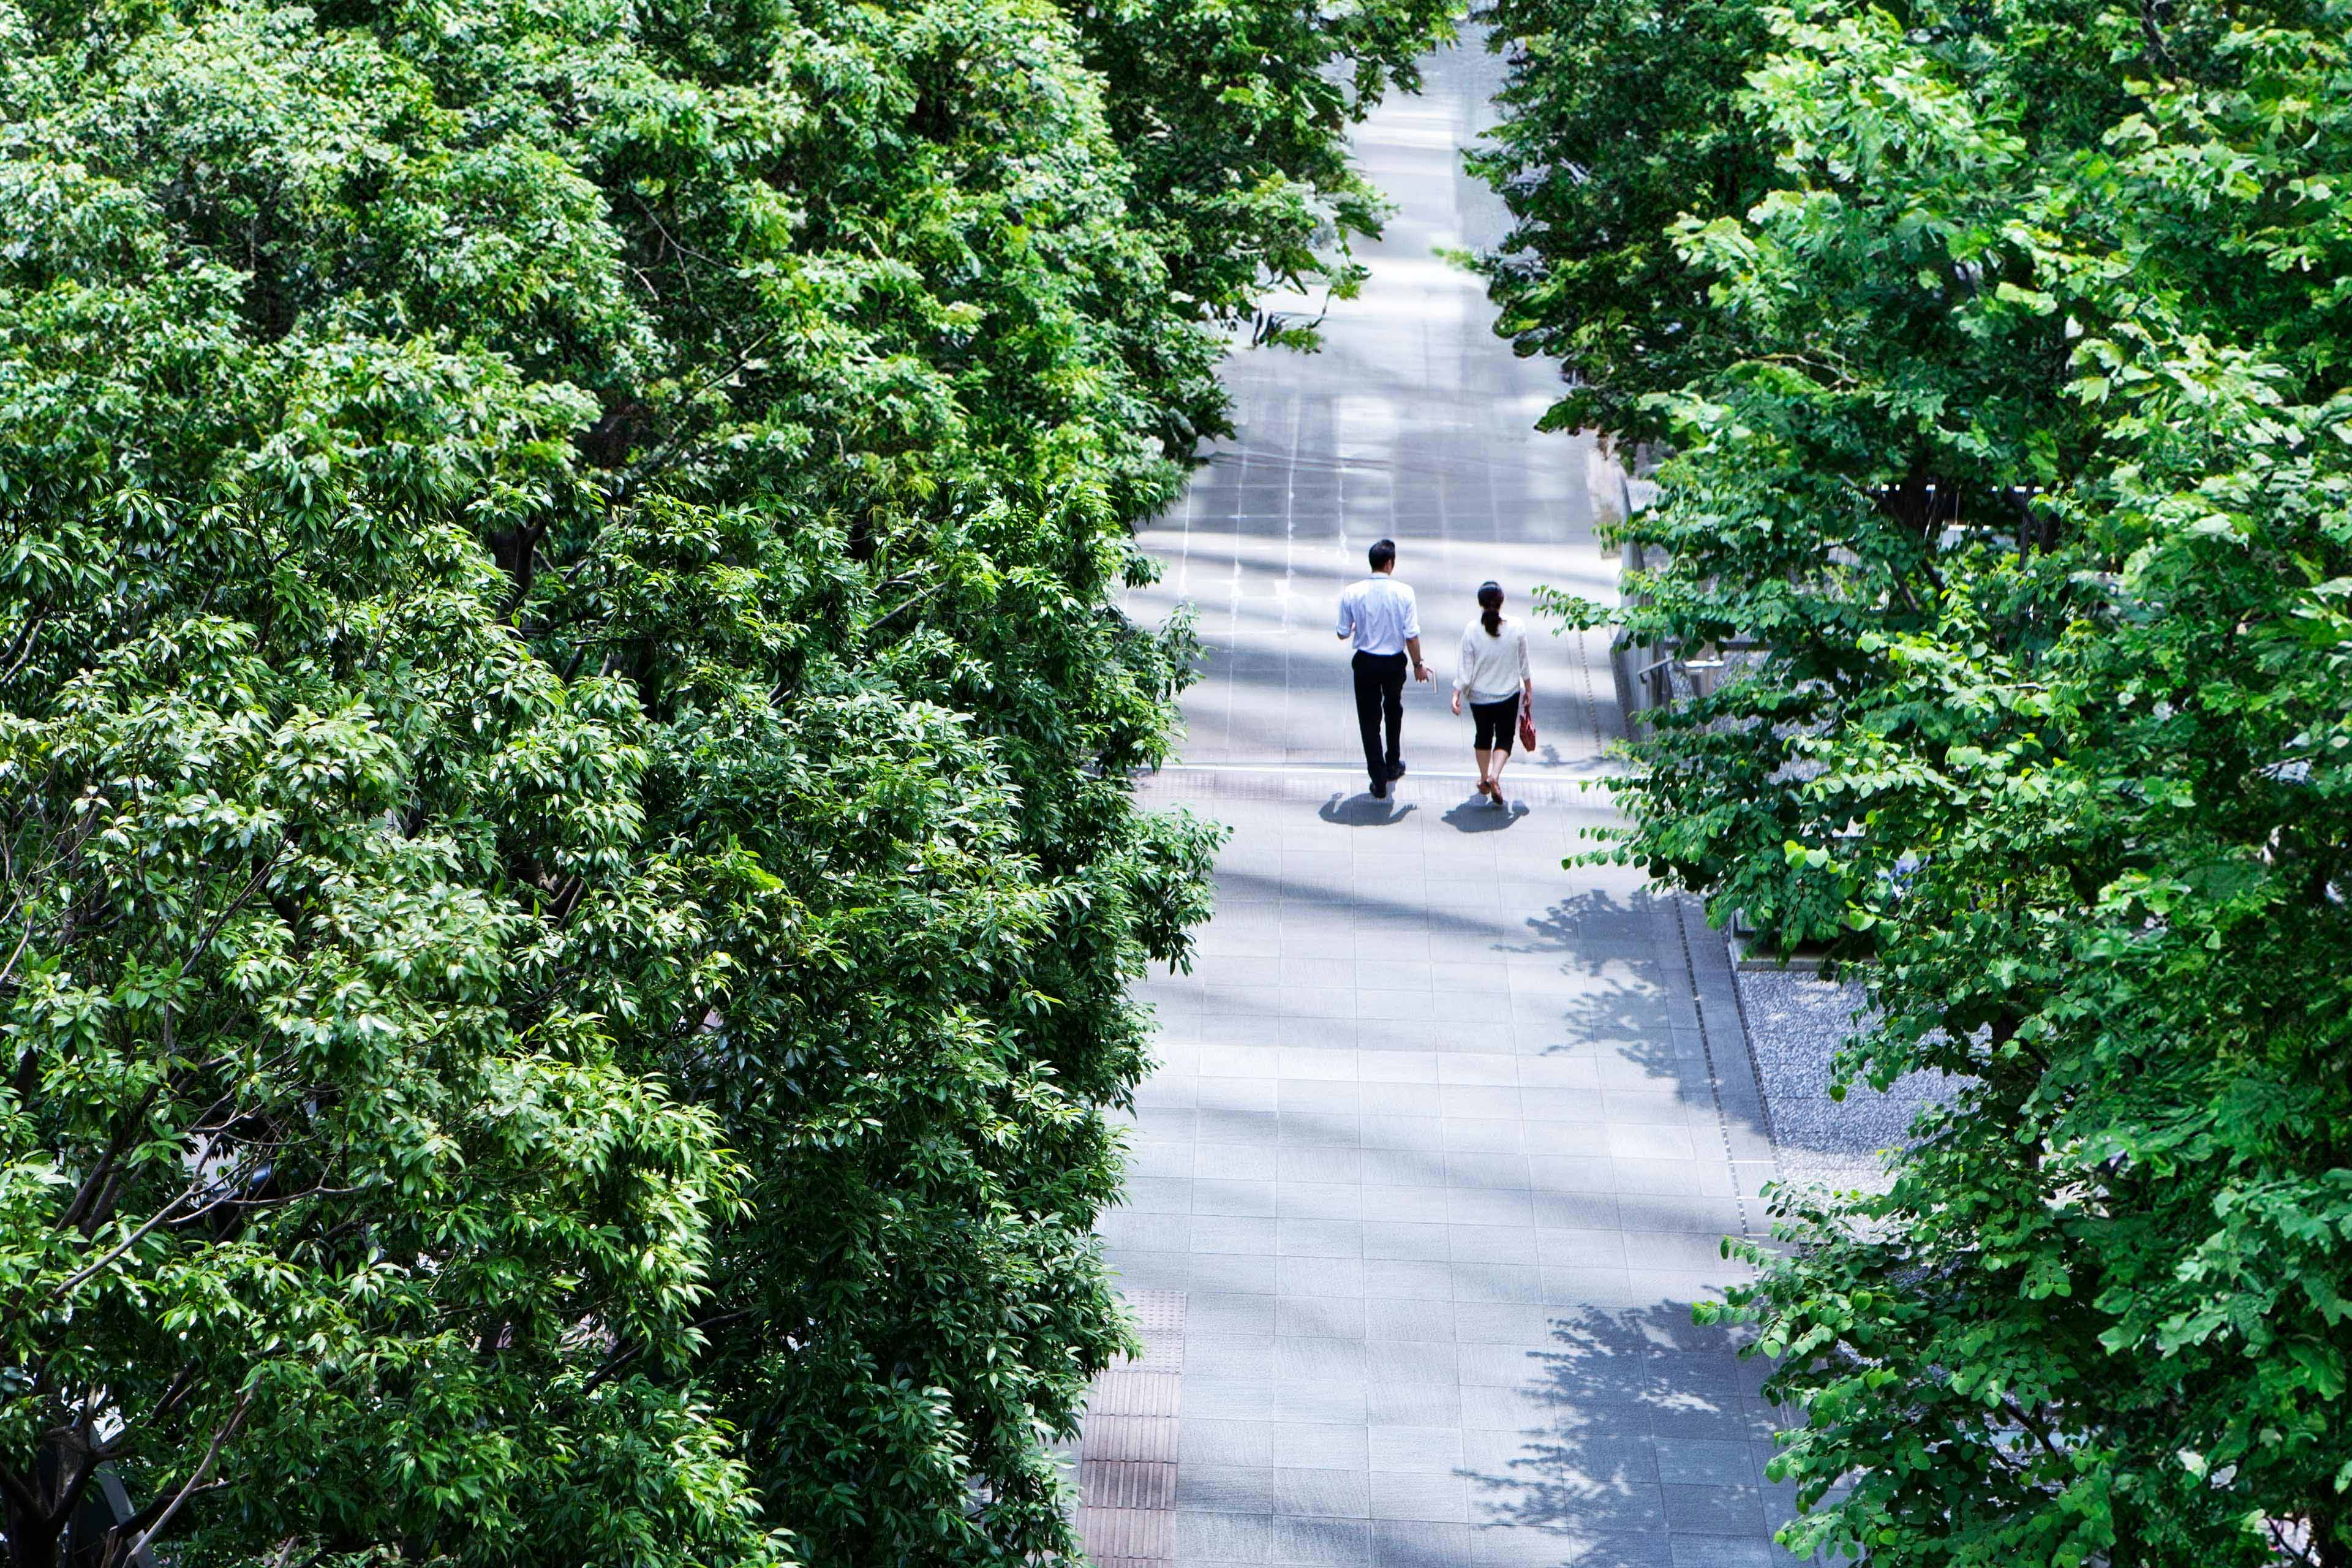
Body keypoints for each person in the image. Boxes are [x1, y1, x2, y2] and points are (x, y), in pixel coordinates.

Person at [1335, 538, 1429, 798]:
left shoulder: (1353, 592)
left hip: (1365, 663)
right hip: (1393, 664)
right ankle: (1393, 762)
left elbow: (1342, 633)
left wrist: (1356, 627)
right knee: (1393, 711)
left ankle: (1378, 778)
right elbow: (1411, 635)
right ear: (1389, 563)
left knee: (1369, 721)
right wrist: (1418, 665)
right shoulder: (1405, 593)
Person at [1450, 580, 1531, 804]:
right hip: (1508, 694)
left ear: (1480, 604)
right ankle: (1495, 776)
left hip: (1479, 697)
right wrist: (1529, 690)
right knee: (1505, 738)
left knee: (1483, 736)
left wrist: (1457, 694)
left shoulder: (1471, 630)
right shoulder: (1517, 627)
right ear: (1501, 601)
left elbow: (1465, 670)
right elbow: (1524, 663)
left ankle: (1484, 777)